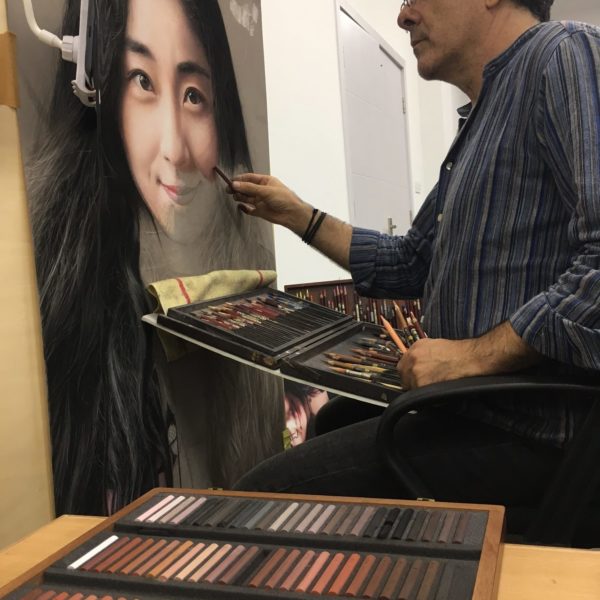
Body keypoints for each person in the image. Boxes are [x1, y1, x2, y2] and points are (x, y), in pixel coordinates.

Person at [232, 0, 600, 529]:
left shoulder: (563, 53)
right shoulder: (482, 119)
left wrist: (473, 357)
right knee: (333, 418)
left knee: (255, 503)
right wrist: (297, 215)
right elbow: (408, 262)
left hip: (529, 428)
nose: (403, 16)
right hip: (475, 408)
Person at [28, 0, 282, 516]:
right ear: (96, 90)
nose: (175, 148)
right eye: (141, 80)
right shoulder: (53, 305)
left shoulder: (238, 256)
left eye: (193, 95)